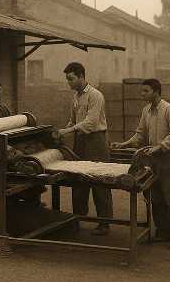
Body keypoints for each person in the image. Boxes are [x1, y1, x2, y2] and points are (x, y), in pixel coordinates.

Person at [112, 78, 170, 250]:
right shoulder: (146, 111)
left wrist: (160, 147)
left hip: (168, 159)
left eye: (145, 91)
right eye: (142, 91)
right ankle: (162, 232)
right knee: (155, 197)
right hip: (151, 159)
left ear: (156, 92)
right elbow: (140, 134)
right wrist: (124, 144)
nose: (142, 94)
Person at [57, 62, 113, 235]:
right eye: (67, 79)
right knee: (78, 180)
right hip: (80, 141)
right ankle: (77, 219)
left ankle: (104, 223)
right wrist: (63, 132)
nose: (69, 82)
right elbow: (73, 121)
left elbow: (91, 122)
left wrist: (67, 131)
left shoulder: (95, 95)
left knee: (99, 180)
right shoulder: (76, 96)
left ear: (81, 76)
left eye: (71, 79)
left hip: (96, 141)